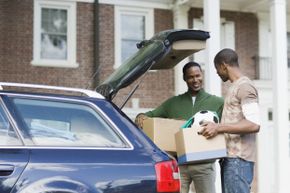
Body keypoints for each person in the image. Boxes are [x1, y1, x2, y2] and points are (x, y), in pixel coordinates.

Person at [135, 61, 224, 193]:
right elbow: (150, 115)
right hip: (179, 165)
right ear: (185, 79)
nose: (195, 80)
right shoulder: (173, 103)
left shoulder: (218, 102)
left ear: (202, 75)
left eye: (198, 75)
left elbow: (226, 128)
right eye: (190, 77)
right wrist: (140, 116)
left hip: (204, 164)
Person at [199, 48, 260, 193]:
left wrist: (218, 127)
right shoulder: (235, 87)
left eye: (217, 68)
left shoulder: (245, 87)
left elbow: (254, 124)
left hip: (238, 161)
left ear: (223, 65)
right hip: (231, 161)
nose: (217, 72)